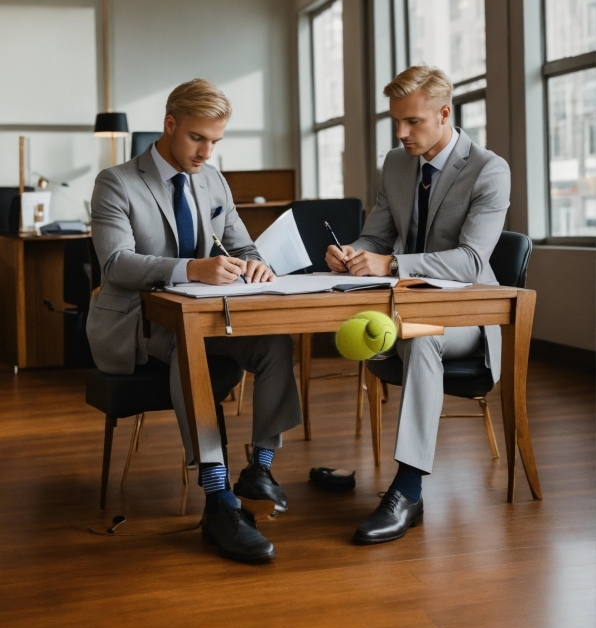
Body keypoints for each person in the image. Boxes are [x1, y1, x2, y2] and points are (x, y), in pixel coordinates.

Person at [87, 78, 302, 563]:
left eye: (215, 141)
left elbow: (242, 245)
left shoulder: (213, 180)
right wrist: (191, 269)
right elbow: (117, 264)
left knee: (273, 344)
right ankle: (217, 497)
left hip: (205, 316)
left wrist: (255, 264)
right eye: (197, 138)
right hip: (135, 323)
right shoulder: (116, 182)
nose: (206, 152)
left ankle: (259, 469)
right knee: (193, 350)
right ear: (169, 125)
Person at [325, 64, 510, 546]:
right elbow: (375, 235)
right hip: (402, 306)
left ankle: (407, 491)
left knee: (421, 336)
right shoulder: (396, 164)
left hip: (469, 315)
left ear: (445, 113)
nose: (402, 134)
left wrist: (389, 264)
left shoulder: (488, 169)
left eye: (414, 122)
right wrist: (352, 253)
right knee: (396, 327)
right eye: (397, 122)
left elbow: (471, 261)